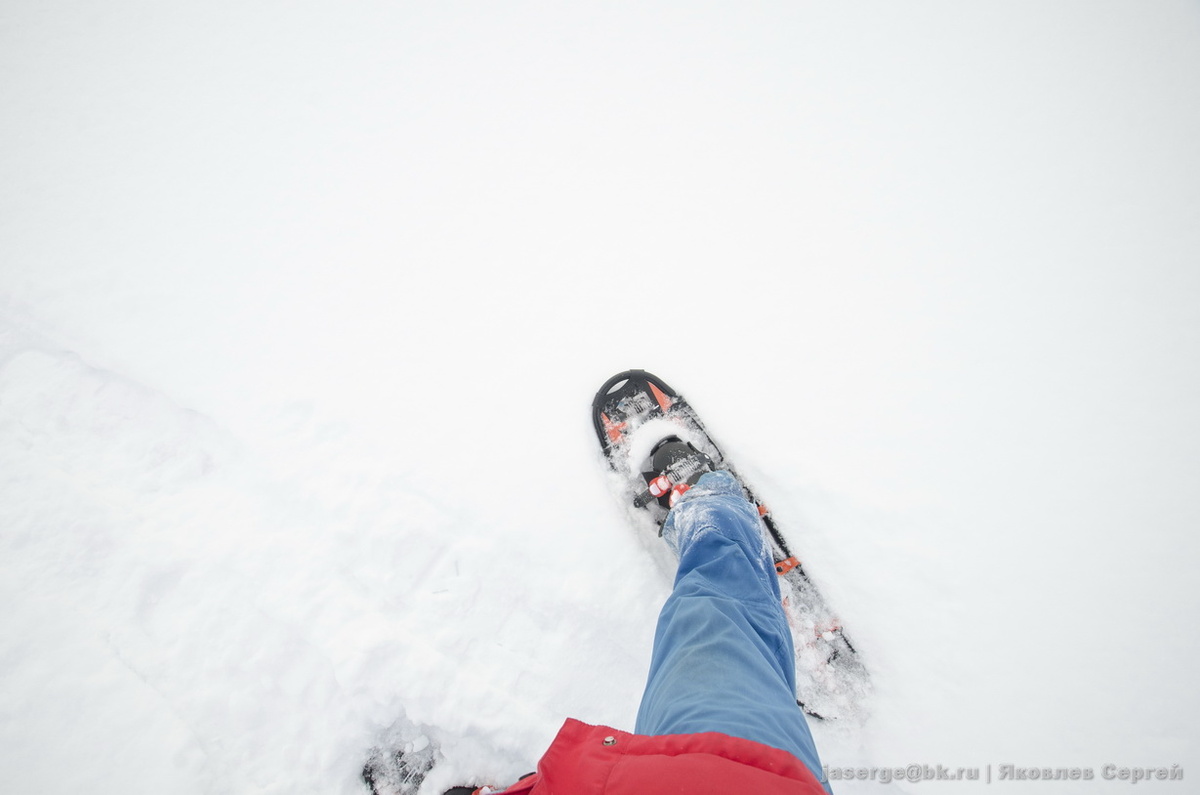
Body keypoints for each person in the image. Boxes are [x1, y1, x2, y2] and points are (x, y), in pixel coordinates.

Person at [450, 459, 832, 795]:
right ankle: (712, 509)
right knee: (712, 621)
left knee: (734, 659)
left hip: (636, 774)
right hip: (721, 772)